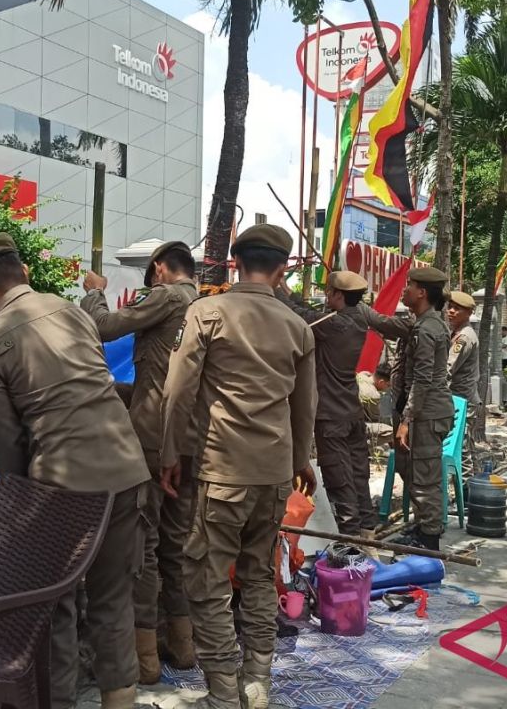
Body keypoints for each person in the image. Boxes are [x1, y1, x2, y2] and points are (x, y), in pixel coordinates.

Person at [0, 233, 150, 709]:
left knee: (55, 606)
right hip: (127, 469)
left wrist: (19, 507)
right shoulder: (73, 312)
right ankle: (120, 702)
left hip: (65, 486)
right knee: (112, 599)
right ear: (23, 273)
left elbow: (7, 444)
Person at [159, 224, 317, 709]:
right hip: (272, 475)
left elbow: (179, 389)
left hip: (221, 471)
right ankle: (258, 682)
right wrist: (301, 459)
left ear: (235, 262)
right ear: (282, 268)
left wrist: (169, 453)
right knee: (258, 575)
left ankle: (224, 689)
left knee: (205, 577)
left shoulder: (207, 312)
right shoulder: (298, 327)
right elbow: (303, 407)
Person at [79, 241, 199, 682]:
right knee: (176, 544)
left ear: (161, 269)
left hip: (153, 441)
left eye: (151, 277)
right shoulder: (203, 304)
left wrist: (95, 291)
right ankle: (182, 646)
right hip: (191, 441)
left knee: (143, 547)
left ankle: (145, 659)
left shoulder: (166, 296)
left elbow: (104, 327)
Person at [357, 267, 455, 551]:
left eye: (410, 285)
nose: (405, 289)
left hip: (426, 415)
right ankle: (423, 527)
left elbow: (423, 379)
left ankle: (429, 539)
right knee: (407, 468)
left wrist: (407, 421)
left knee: (425, 478)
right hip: (417, 412)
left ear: (422, 293)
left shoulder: (428, 329)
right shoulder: (420, 323)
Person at [276, 270, 374, 538]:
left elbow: (302, 315)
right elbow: (309, 312)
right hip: (351, 411)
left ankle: (351, 543)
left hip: (331, 416)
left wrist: (276, 288)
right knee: (358, 475)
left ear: (338, 295)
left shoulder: (333, 325)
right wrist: (288, 290)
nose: (325, 296)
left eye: (329, 292)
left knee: (338, 478)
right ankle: (367, 533)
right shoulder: (356, 319)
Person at [445, 291, 481, 471]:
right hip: (461, 398)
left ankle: (466, 491)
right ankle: (472, 488)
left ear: (468, 313)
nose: (451, 311)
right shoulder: (457, 333)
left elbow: (447, 369)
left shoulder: (464, 337)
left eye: (457, 309)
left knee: (462, 447)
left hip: (462, 400)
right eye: (450, 307)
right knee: (465, 445)